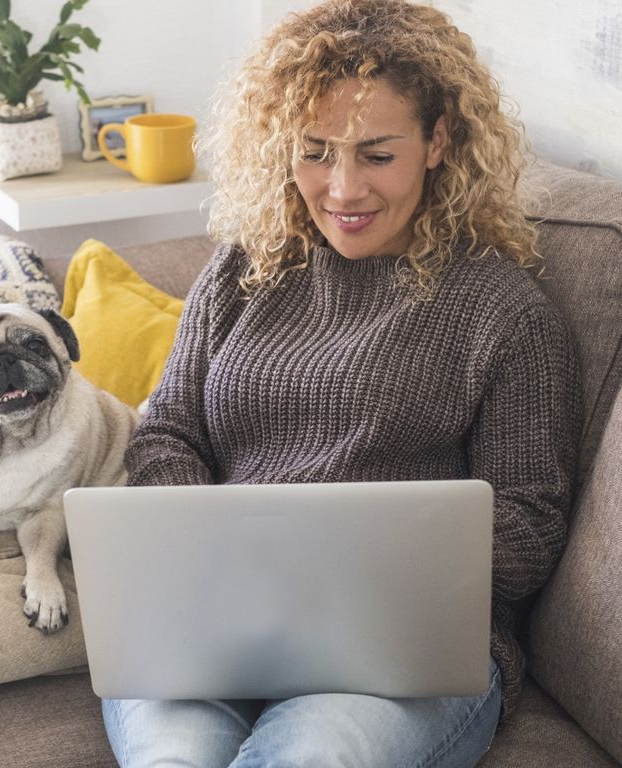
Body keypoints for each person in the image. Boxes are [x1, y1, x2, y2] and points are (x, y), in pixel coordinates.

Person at [103, 0, 581, 765]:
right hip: (219, 620)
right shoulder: (244, 271)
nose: (342, 188)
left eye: (376, 154)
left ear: (439, 140)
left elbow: (529, 526)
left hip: (401, 654)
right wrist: (208, 549)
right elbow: (168, 430)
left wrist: (359, 561)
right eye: (315, 151)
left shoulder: (504, 311)